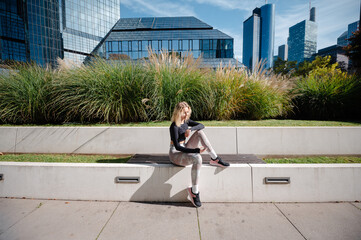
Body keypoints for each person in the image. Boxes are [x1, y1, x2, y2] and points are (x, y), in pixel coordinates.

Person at [169, 101, 230, 207]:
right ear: (178, 113)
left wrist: (190, 129)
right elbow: (178, 147)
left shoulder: (186, 121)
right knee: (198, 158)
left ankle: (214, 158)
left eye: (187, 112)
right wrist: (196, 150)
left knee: (199, 132)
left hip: (185, 149)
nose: (186, 115)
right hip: (176, 154)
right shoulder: (174, 126)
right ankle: (194, 191)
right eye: (184, 113)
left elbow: (201, 125)